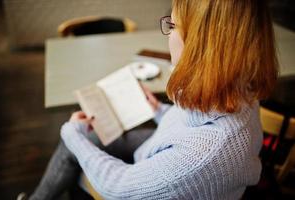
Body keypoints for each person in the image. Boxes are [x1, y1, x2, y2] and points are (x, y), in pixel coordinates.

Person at [18, 0, 278, 199]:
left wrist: (71, 132)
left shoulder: (202, 159)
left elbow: (119, 188)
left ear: (201, 44)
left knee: (76, 142)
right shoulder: (239, 88)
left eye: (173, 26)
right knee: (90, 137)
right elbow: (192, 124)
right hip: (159, 148)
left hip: (140, 175)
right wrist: (160, 110)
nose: (168, 34)